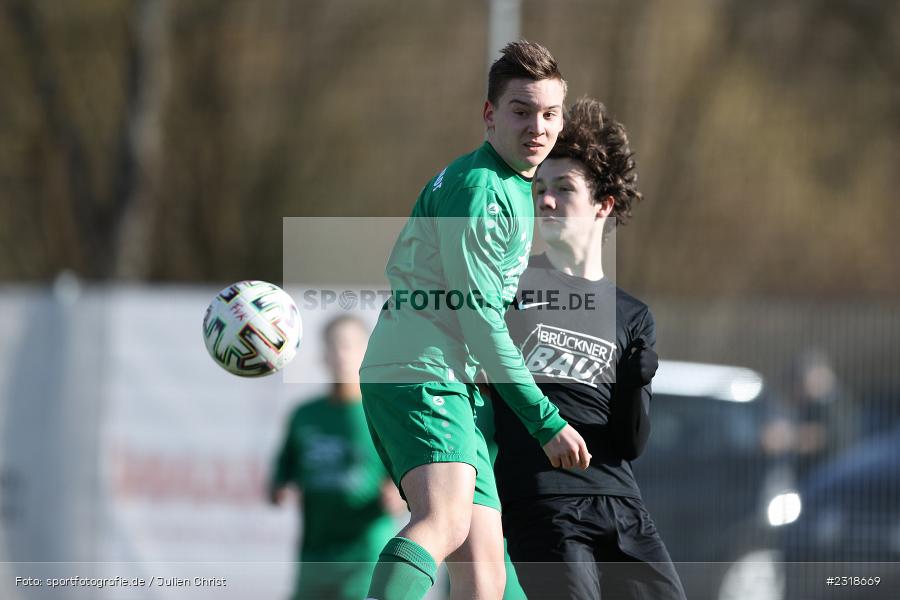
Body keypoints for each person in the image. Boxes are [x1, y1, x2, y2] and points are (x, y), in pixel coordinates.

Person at [359, 41, 591, 600]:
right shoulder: (481, 189)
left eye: (549, 114)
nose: (537, 126)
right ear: (490, 115)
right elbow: (478, 318)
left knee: (484, 575)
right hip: (424, 370)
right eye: (520, 110)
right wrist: (545, 420)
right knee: (443, 520)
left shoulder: (509, 184)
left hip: (455, 380)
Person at [491, 97, 687, 599]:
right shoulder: (509, 285)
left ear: (604, 205)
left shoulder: (632, 315)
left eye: (563, 189)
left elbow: (629, 445)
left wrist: (637, 380)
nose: (546, 200)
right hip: (543, 502)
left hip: (622, 503)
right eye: (539, 188)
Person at [269, 315, 405, 600]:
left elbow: (412, 477)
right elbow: (282, 472)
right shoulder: (304, 415)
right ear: (323, 356)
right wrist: (280, 487)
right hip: (314, 554)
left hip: (365, 555)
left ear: (368, 353)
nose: (342, 354)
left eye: (351, 345)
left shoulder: (385, 414)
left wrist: (400, 493)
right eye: (334, 345)